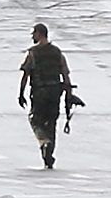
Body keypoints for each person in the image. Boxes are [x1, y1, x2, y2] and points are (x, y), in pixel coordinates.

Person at [19, 23, 72, 168]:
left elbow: (26, 74)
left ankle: (44, 142)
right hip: (55, 92)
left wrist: (21, 94)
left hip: (39, 92)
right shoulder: (57, 52)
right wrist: (69, 95)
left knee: (35, 121)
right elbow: (65, 75)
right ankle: (49, 155)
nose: (32, 37)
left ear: (40, 33)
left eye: (34, 34)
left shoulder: (33, 53)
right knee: (52, 122)